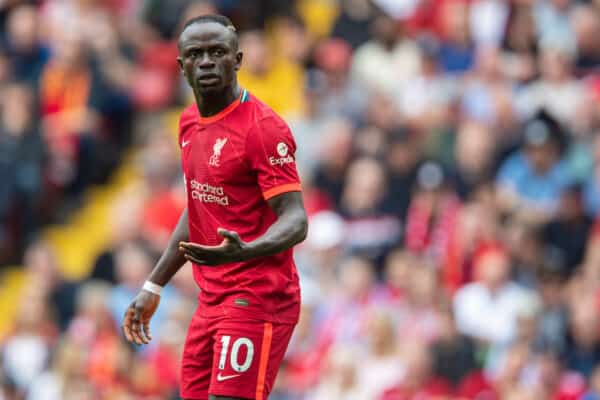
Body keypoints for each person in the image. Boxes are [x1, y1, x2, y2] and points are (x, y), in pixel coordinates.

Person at [121, 14, 308, 400]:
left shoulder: (262, 128)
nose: (206, 61)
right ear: (181, 66)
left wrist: (248, 250)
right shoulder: (189, 122)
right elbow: (199, 205)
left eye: (217, 52)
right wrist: (153, 284)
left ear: (237, 60)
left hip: (258, 296)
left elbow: (296, 217)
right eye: (196, 54)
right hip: (210, 299)